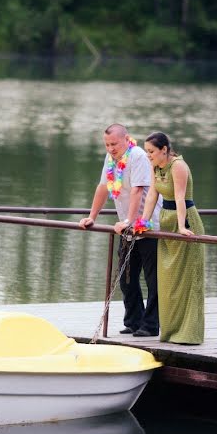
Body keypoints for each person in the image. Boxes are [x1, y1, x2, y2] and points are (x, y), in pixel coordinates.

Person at [79, 123, 161, 337]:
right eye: (107, 144)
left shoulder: (138, 156)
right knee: (126, 277)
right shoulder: (110, 159)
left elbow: (137, 190)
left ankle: (151, 325)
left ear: (126, 139)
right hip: (127, 227)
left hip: (149, 225)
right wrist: (91, 217)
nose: (110, 148)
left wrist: (129, 221)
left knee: (153, 280)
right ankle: (133, 321)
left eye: (114, 144)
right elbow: (102, 187)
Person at [134, 131, 204, 344]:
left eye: (152, 151)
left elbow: (181, 197)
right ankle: (170, 331)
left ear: (164, 150)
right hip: (165, 219)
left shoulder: (178, 166)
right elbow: (153, 196)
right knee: (168, 281)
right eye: (147, 152)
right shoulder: (156, 166)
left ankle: (188, 333)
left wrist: (182, 226)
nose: (148, 155)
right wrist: (143, 222)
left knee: (186, 279)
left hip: (184, 219)